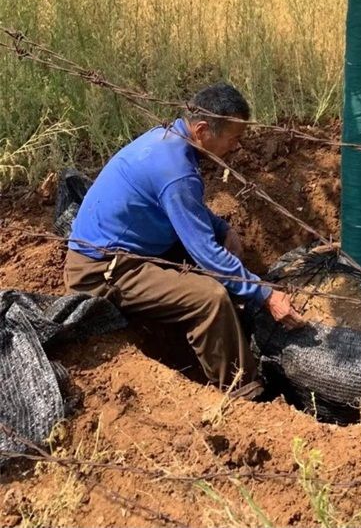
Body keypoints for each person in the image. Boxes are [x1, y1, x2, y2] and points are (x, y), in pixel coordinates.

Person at [64, 82, 303, 393]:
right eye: (233, 138)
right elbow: (204, 251)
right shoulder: (176, 171)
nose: (236, 147)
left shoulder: (168, 139)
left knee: (216, 270)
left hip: (117, 249)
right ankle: (242, 389)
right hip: (102, 271)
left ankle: (231, 332)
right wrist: (266, 295)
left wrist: (222, 228)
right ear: (203, 130)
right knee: (211, 298)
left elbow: (185, 210)